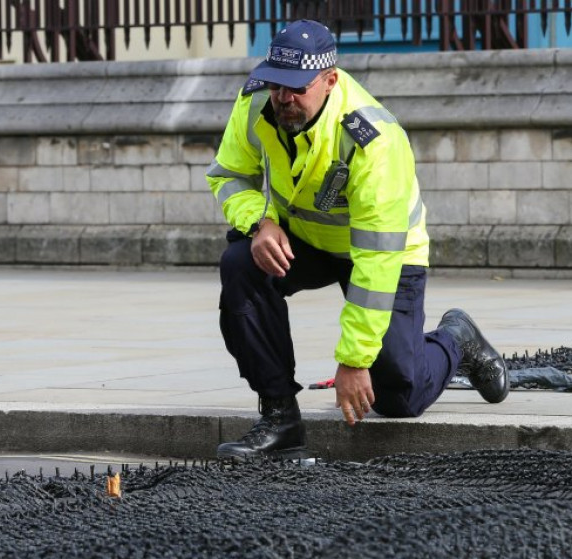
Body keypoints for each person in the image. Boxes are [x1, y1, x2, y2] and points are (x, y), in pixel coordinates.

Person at [205, 19, 509, 459]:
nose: (283, 99)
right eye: (276, 85)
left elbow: (375, 262)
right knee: (240, 265)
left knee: (398, 398)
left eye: (297, 88)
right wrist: (260, 223)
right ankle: (279, 419)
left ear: (330, 81)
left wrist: (354, 359)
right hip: (308, 238)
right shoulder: (256, 102)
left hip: (387, 254)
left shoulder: (374, 141)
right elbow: (229, 175)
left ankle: (455, 338)